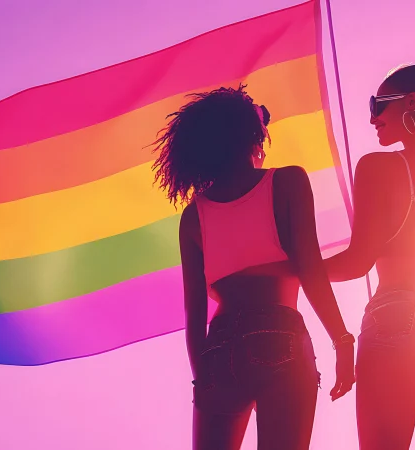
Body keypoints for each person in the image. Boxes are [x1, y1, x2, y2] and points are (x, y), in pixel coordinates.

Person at [243, 40, 415, 449]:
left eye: (378, 105)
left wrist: (291, 268)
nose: (372, 118)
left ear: (409, 103)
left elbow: (358, 262)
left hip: (397, 314)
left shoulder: (378, 166)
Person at [151, 85, 356, 450]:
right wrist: (342, 340)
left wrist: (205, 381)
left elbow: (194, 314)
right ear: (252, 134)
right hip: (280, 334)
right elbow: (311, 270)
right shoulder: (287, 181)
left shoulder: (193, 216)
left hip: (219, 346)